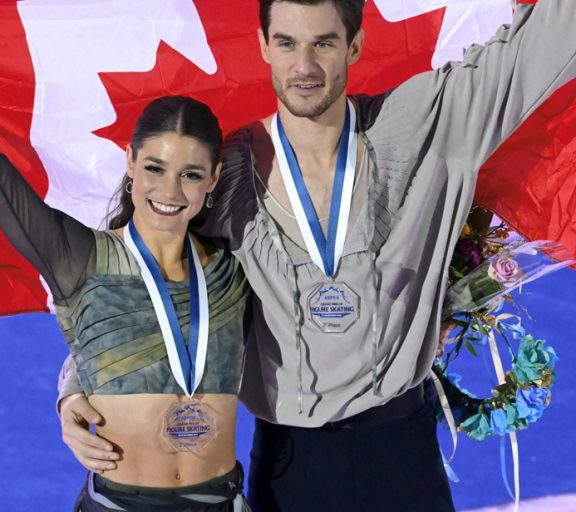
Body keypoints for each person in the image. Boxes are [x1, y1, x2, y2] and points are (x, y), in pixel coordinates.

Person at [57, 0, 576, 510]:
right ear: (263, 45)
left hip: (402, 448)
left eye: (323, 43)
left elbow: (544, 40)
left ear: (354, 44)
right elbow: (140, 279)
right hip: (291, 462)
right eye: (286, 43)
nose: (304, 66)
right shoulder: (224, 176)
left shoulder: (423, 126)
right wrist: (76, 385)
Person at [0, 16, 253, 512]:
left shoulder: (234, 269)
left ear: (214, 179)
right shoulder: (77, 256)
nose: (168, 191)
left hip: (223, 502)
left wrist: (70, 391)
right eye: (154, 168)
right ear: (129, 162)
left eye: (190, 174)